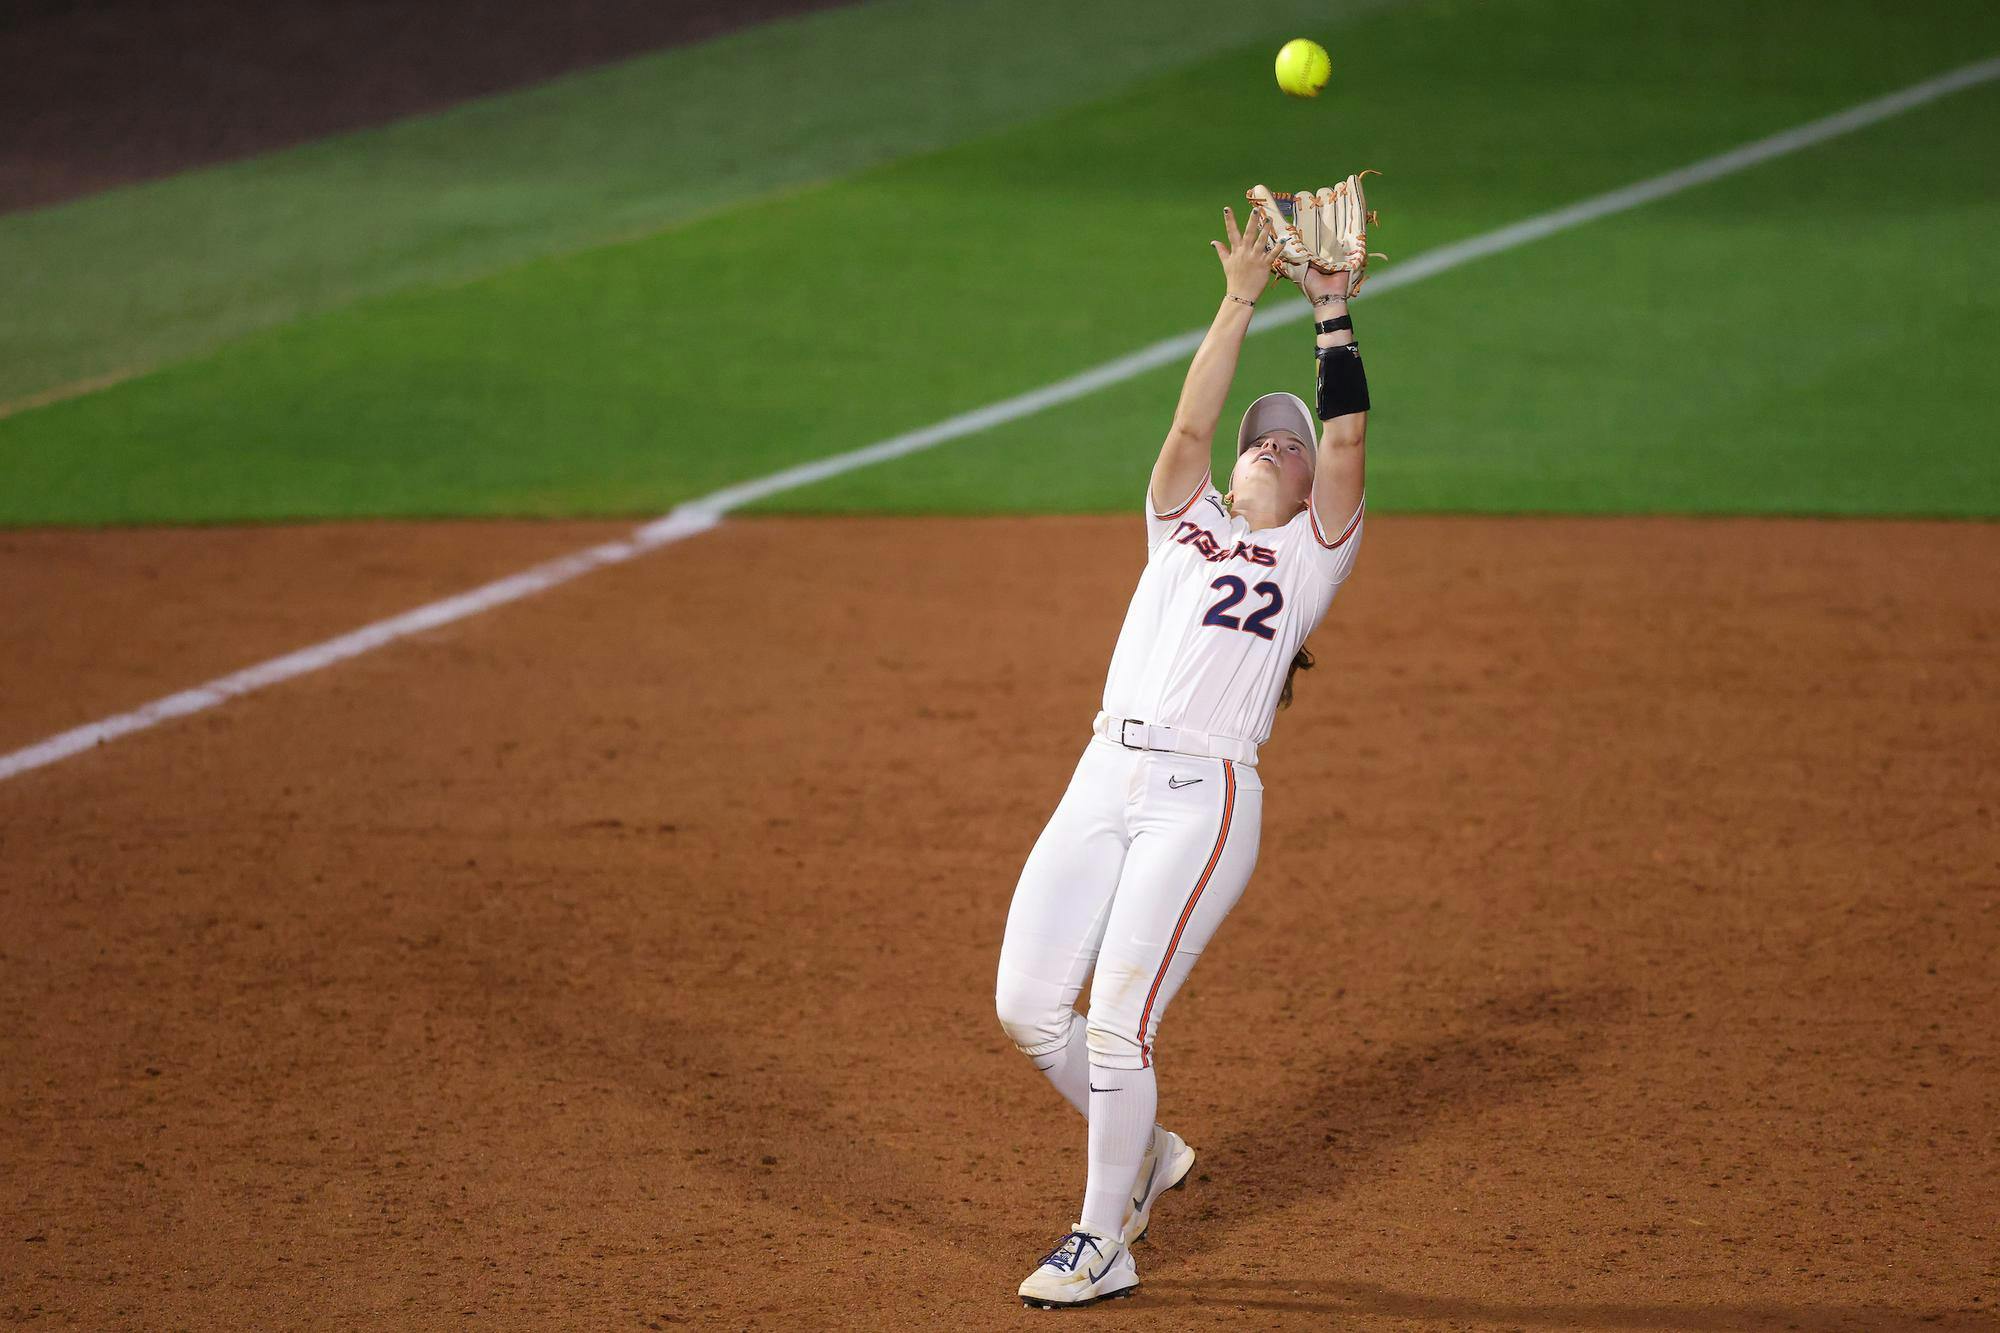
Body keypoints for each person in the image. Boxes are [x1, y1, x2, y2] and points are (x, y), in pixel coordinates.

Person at [995, 200, 1372, 1309]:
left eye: (1288, 445)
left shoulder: (1309, 563)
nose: (1273, 442)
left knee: (1118, 1022)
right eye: (1263, 434)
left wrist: (1330, 312)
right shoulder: (1182, 522)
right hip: (1097, 777)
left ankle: (1099, 1239)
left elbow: (1346, 434)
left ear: (1309, 492)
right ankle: (1147, 1142)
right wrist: (1238, 297)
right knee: (1026, 1009)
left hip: (1199, 798)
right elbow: (1182, 433)